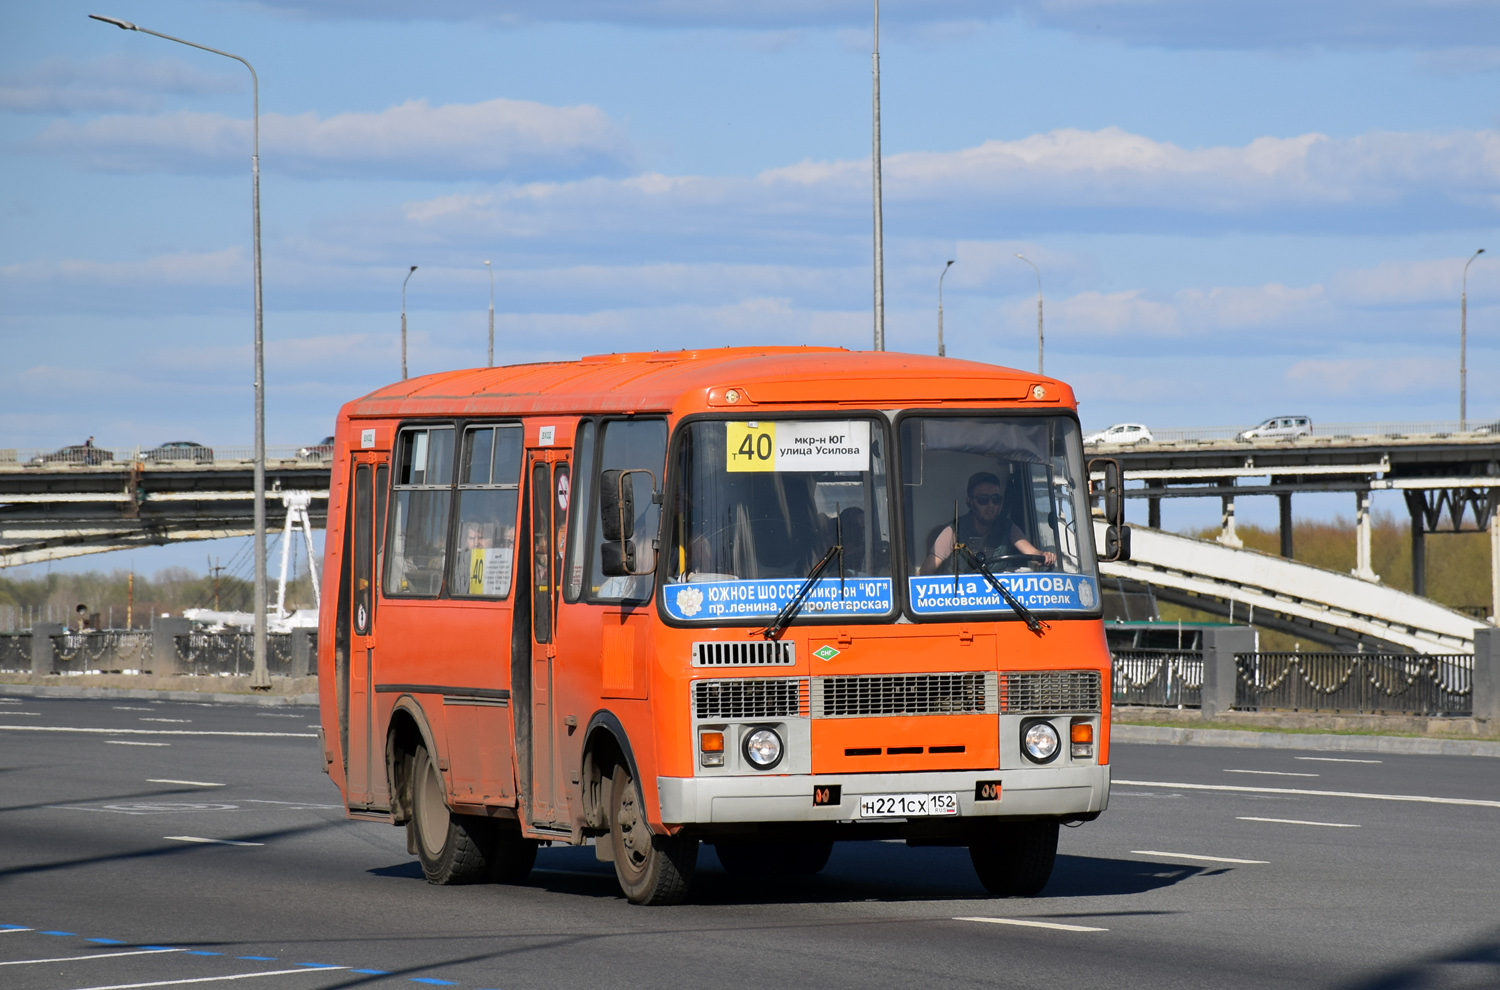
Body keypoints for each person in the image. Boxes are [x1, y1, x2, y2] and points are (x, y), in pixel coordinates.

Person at [920, 471, 1056, 575]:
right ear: (970, 502)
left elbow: (1032, 554)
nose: (991, 505)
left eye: (995, 499)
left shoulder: (1008, 527)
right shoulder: (953, 531)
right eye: (983, 500)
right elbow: (924, 573)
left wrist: (1044, 556)